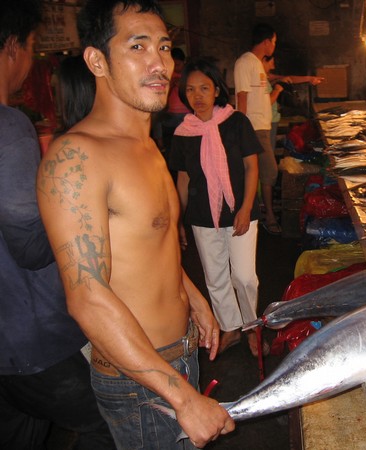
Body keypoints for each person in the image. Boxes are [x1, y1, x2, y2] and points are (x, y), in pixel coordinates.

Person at [36, 1, 235, 448]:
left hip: (177, 357)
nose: (159, 63)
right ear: (96, 60)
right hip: (142, 383)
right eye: (138, 46)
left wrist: (193, 295)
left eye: (164, 47)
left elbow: (149, 241)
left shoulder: (145, 145)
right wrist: (183, 398)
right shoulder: (77, 159)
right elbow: (87, 297)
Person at [0, 1, 115, 448]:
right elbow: (29, 243)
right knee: (113, 422)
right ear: (12, 48)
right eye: (29, 47)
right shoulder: (10, 127)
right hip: (34, 340)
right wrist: (74, 220)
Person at [170, 58, 267, 357]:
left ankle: (251, 326)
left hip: (240, 211)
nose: (197, 95)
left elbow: (252, 168)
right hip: (201, 216)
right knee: (216, 278)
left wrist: (245, 207)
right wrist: (178, 221)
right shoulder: (184, 133)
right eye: (190, 89)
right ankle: (230, 328)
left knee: (244, 277)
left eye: (204, 88)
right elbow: (184, 179)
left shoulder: (236, 122)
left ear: (216, 90)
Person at [234, 23, 281, 235]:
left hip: (262, 126)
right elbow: (241, 97)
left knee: (264, 173)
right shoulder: (245, 62)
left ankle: (262, 213)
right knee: (268, 171)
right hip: (252, 127)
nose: (274, 46)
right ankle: (267, 215)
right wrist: (240, 130)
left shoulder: (256, 63)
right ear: (266, 42)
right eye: (274, 42)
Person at [262, 54, 324, 154]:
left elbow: (288, 78)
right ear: (263, 61)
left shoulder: (265, 76)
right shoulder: (259, 77)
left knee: (270, 151)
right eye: (271, 63)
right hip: (267, 120)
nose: (273, 67)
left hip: (272, 118)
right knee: (268, 153)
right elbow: (267, 102)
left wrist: (309, 78)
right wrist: (277, 89)